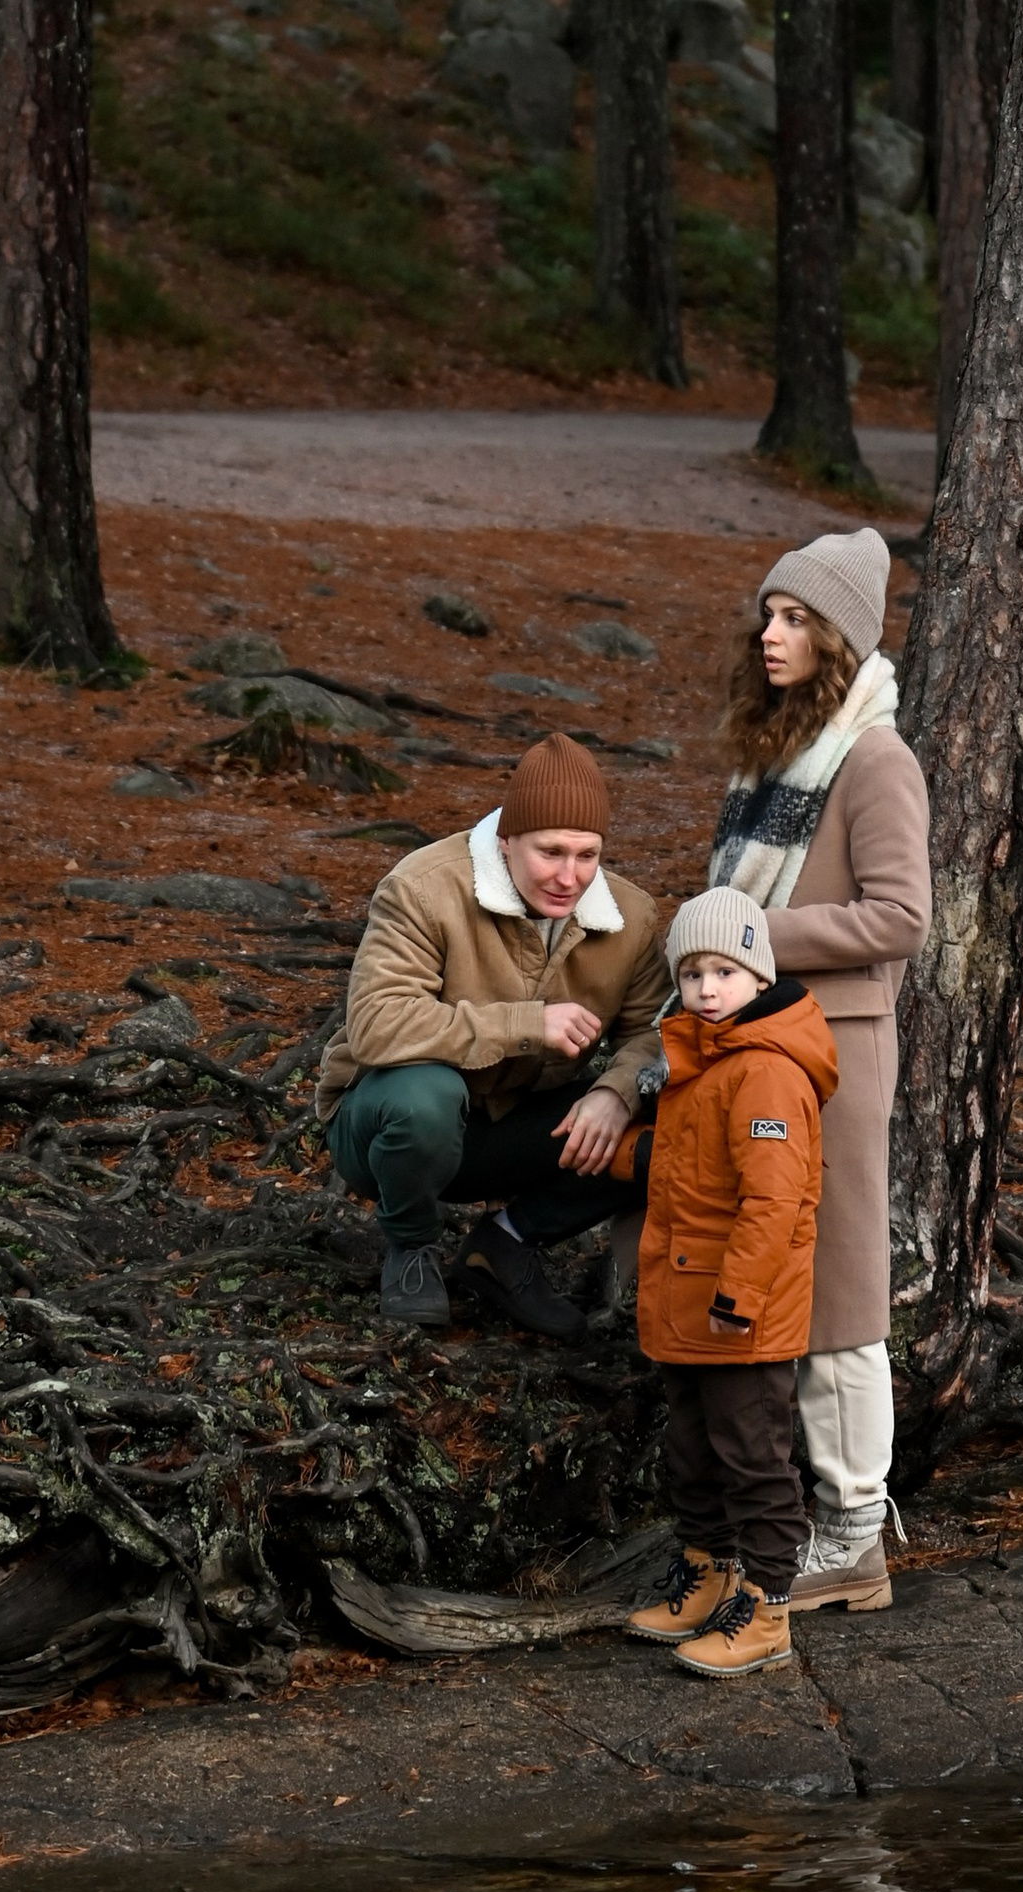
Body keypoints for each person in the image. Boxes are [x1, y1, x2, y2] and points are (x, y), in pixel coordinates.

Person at [707, 524, 931, 1613]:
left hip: (836, 1046)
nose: (770, 632)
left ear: (840, 636)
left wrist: (751, 931)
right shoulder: (771, 757)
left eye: (794, 617)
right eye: (768, 612)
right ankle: (784, 1517)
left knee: (841, 1291)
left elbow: (902, 917)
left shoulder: (875, 757)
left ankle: (853, 1533)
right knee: (774, 1278)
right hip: (752, 1043)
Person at [318, 730, 669, 1339]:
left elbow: (653, 1034)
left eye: (587, 855)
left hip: (513, 1130)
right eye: (550, 852)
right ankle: (412, 1247)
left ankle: (507, 1244)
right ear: (505, 842)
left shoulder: (631, 919)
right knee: (423, 1096)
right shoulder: (425, 887)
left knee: (680, 1122)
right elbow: (375, 1025)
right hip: (384, 1130)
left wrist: (617, 1092)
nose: (569, 876)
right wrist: (526, 1023)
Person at [616, 888, 838, 1682]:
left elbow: (774, 1201)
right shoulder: (696, 1060)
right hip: (685, 1308)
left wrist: (739, 1300)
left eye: (727, 971)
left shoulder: (766, 1074)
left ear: (758, 975)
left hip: (739, 1313)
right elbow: (684, 1177)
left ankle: (768, 1607)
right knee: (692, 1448)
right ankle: (707, 1575)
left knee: (754, 1457)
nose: (708, 989)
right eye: (694, 972)